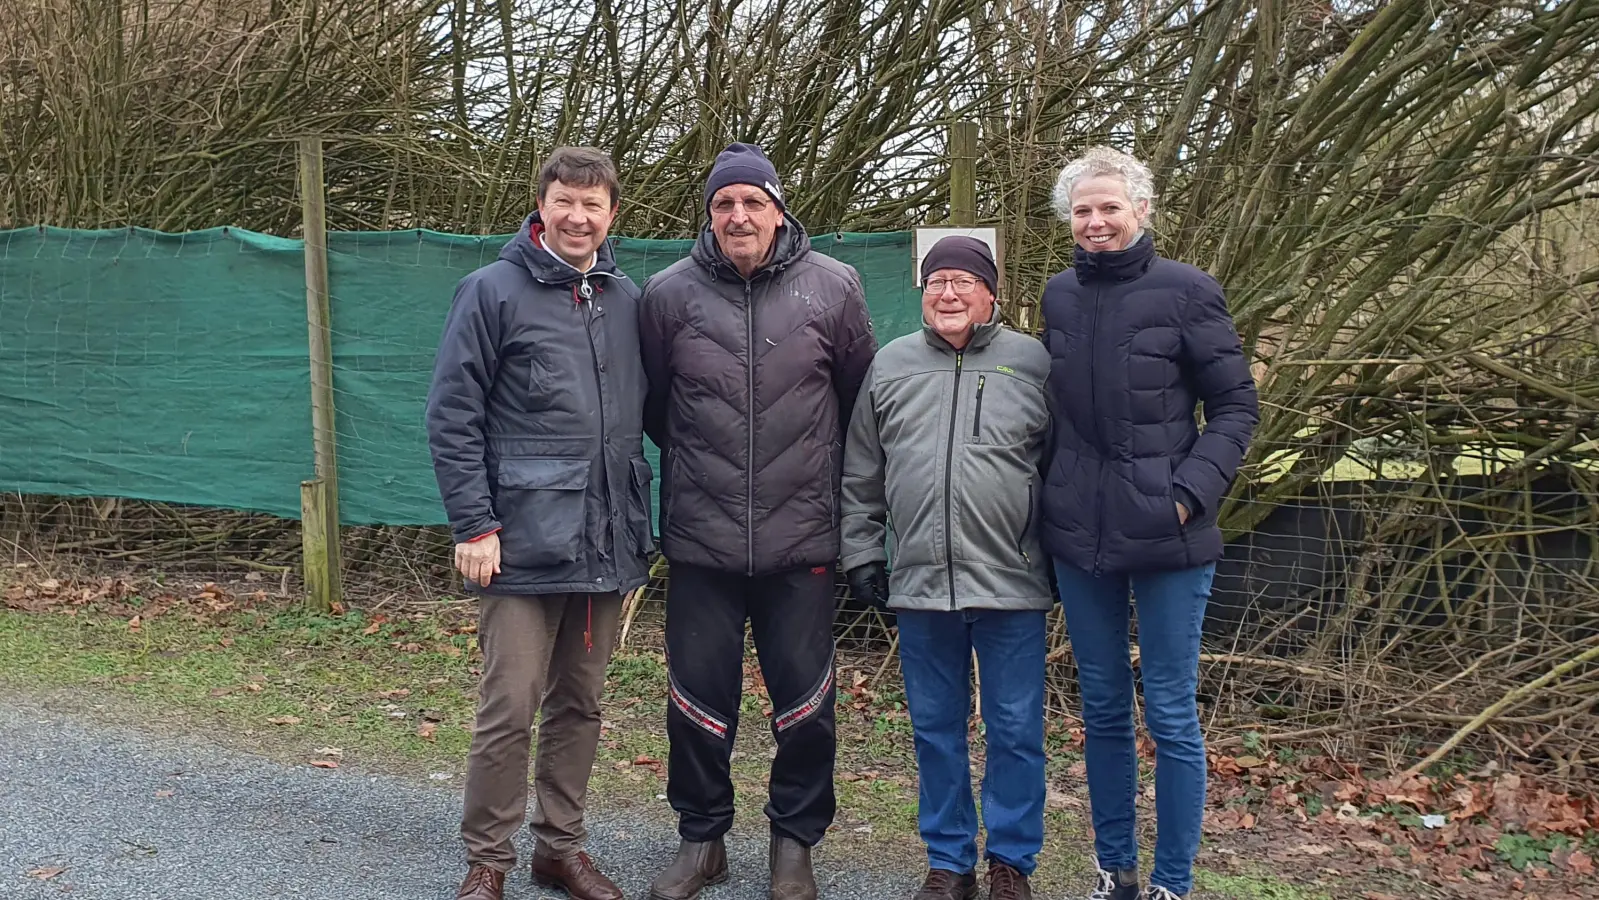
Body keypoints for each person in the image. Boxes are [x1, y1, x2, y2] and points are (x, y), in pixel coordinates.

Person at [638, 142, 877, 900]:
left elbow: (857, 402)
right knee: (695, 703)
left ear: (778, 208)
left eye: (752, 202)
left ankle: (793, 846)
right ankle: (701, 839)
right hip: (700, 539)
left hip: (801, 540)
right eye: (723, 204)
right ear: (708, 215)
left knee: (805, 709)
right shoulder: (667, 295)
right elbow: (654, 409)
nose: (738, 216)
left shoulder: (834, 288)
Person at [425, 147, 652, 900]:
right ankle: (486, 859)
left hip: (604, 542)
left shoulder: (626, 298)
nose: (578, 217)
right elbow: (452, 416)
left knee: (580, 705)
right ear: (541, 206)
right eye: (565, 201)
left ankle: (560, 848)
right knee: (509, 705)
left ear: (611, 214)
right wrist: (474, 525)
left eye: (592, 205)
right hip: (516, 544)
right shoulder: (489, 292)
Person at [1039, 146, 1259, 900]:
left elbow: (1235, 407)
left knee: (1168, 713)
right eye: (1082, 210)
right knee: (1100, 708)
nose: (1095, 221)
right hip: (1079, 538)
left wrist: (1187, 494)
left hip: (1169, 537)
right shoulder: (1057, 296)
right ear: (1068, 219)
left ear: (1141, 210)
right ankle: (1114, 873)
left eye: (1109, 207)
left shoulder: (1188, 292)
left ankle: (1171, 882)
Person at [840, 236, 1054, 900]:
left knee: (1015, 728)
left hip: (1012, 582)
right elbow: (860, 473)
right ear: (922, 293)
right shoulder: (891, 365)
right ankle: (948, 861)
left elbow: (1060, 469)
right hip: (921, 583)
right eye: (936, 282)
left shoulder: (1033, 363)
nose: (949, 293)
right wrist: (862, 553)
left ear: (990, 294)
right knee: (935, 729)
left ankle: (1010, 862)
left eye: (964, 281)